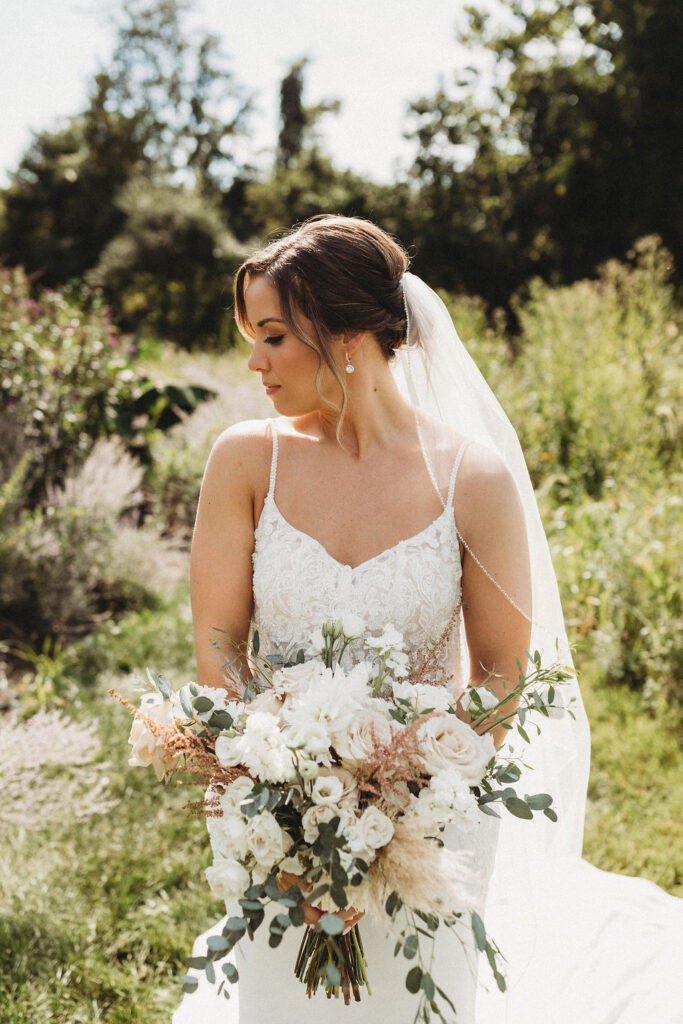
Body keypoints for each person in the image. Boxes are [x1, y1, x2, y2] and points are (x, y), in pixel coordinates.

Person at [174, 215, 682, 1024]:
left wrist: (402, 787)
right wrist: (278, 788)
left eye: (272, 336)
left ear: (342, 332)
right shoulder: (245, 458)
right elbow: (218, 646)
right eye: (251, 337)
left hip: (430, 815)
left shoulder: (471, 478)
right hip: (267, 805)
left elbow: (504, 673)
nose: (253, 360)